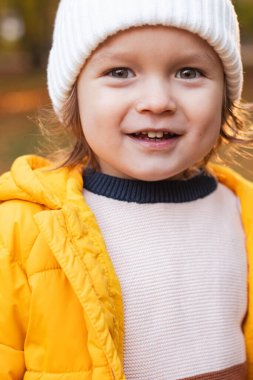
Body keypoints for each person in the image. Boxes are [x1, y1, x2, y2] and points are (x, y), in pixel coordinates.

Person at [0, 0, 253, 379]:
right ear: (73, 98)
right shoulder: (25, 232)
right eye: (120, 71)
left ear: (225, 98)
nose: (157, 102)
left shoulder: (243, 214)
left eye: (188, 72)